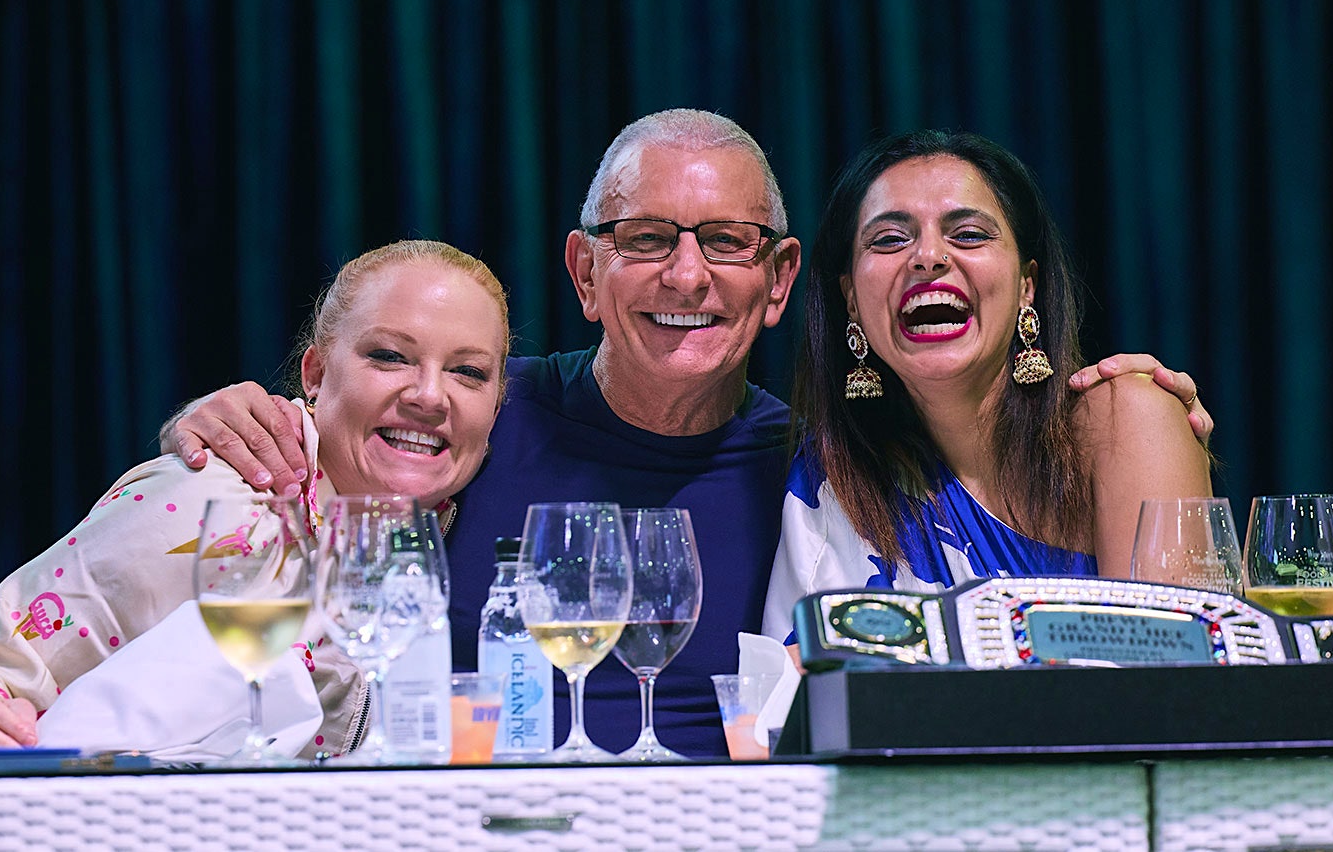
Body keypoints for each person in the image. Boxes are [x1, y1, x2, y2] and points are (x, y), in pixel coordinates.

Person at [160, 110, 1214, 758]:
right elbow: (333, 457)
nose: (686, 274)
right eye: (647, 238)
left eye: (726, 242)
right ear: (585, 273)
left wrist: (1150, 428)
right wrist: (225, 421)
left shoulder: (822, 470)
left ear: (781, 281)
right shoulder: (476, 414)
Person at [0, 240, 509, 786]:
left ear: (499, 401)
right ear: (316, 373)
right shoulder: (216, 503)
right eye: (390, 356)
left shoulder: (463, 522)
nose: (430, 395)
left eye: (467, 371)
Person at [762, 130, 1211, 639]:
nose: (928, 256)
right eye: (889, 240)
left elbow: (1181, 669)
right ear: (850, 299)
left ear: (1026, 286)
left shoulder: (1126, 419)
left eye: (969, 234)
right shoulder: (834, 479)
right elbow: (790, 680)